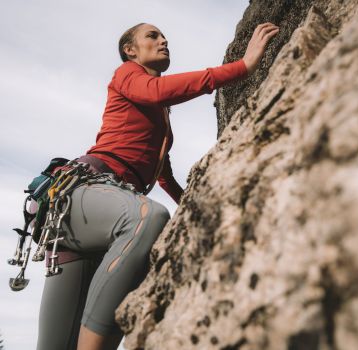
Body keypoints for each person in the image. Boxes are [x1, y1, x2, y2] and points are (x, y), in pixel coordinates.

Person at [36, 21, 279, 350]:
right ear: (130, 50)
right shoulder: (128, 74)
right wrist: (242, 67)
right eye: (152, 35)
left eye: (164, 36)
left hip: (100, 217)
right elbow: (156, 91)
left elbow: (160, 173)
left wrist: (190, 204)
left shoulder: (157, 110)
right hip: (84, 191)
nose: (163, 40)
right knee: (147, 218)